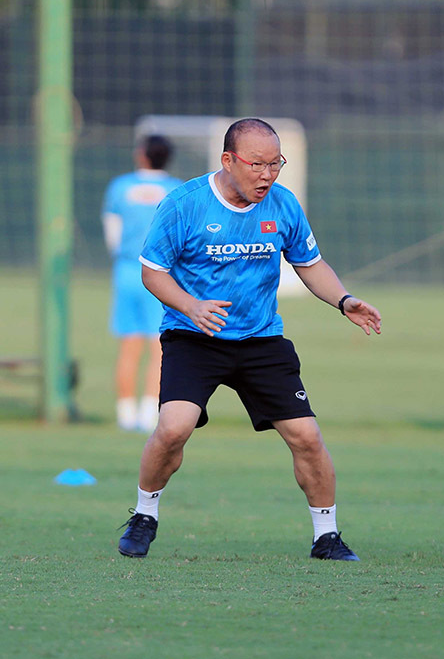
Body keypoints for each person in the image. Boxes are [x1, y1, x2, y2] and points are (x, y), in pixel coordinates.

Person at [117, 118, 381, 561]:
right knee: (173, 428)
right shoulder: (184, 204)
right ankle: (145, 516)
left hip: (261, 340)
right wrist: (191, 305)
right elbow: (152, 271)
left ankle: (327, 536)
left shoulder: (282, 205)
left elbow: (310, 263)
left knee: (307, 436)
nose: (267, 174)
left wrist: (344, 299)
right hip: (194, 335)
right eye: (256, 164)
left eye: (275, 163)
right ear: (228, 160)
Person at [102, 135, 182, 432]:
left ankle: (125, 415)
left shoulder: (120, 187)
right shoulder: (177, 190)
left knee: (129, 345)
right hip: (162, 275)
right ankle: (149, 414)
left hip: (127, 270)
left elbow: (112, 233)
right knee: (159, 346)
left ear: (141, 155)